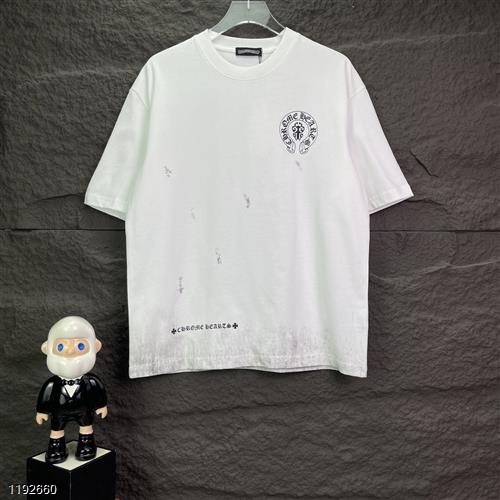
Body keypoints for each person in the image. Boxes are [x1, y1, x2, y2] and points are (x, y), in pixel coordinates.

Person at [35, 316, 108, 464]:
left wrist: (101, 405)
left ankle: (86, 446)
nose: (69, 352)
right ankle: (56, 449)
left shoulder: (90, 381)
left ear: (95, 347)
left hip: (84, 410)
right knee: (56, 430)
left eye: (80, 346)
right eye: (60, 347)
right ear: (47, 349)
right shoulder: (52, 384)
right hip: (59, 412)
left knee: (86, 427)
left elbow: (98, 391)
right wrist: (42, 411)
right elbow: (45, 396)